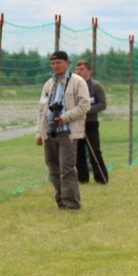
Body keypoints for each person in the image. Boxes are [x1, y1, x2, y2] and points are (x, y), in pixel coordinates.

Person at [36, 51, 90, 210]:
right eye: (53, 63)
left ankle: (71, 204)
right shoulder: (48, 84)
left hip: (68, 132)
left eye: (59, 63)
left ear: (67, 63)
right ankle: (61, 201)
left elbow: (84, 106)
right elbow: (41, 109)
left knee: (66, 169)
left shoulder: (78, 82)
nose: (55, 66)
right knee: (53, 169)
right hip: (50, 132)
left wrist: (64, 118)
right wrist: (39, 133)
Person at [74, 61, 109, 184]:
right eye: (77, 69)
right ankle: (82, 178)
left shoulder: (96, 86)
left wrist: (87, 110)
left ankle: (101, 177)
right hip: (77, 124)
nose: (78, 72)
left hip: (91, 124)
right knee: (78, 152)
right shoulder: (73, 86)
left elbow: (102, 104)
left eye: (81, 69)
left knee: (94, 151)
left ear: (88, 71)